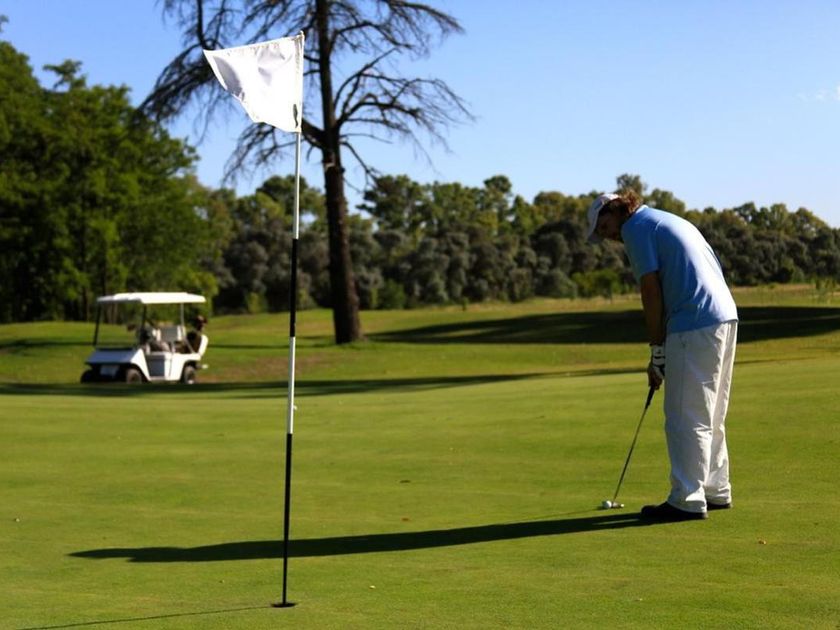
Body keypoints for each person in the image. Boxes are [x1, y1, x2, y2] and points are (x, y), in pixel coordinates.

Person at [587, 191, 738, 522]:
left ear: (615, 209)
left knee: (685, 415)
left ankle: (687, 498)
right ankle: (715, 489)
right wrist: (662, 352)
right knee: (710, 412)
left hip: (693, 321)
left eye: (604, 227)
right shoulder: (665, 219)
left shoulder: (635, 228)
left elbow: (651, 290)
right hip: (724, 317)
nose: (608, 236)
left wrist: (657, 348)